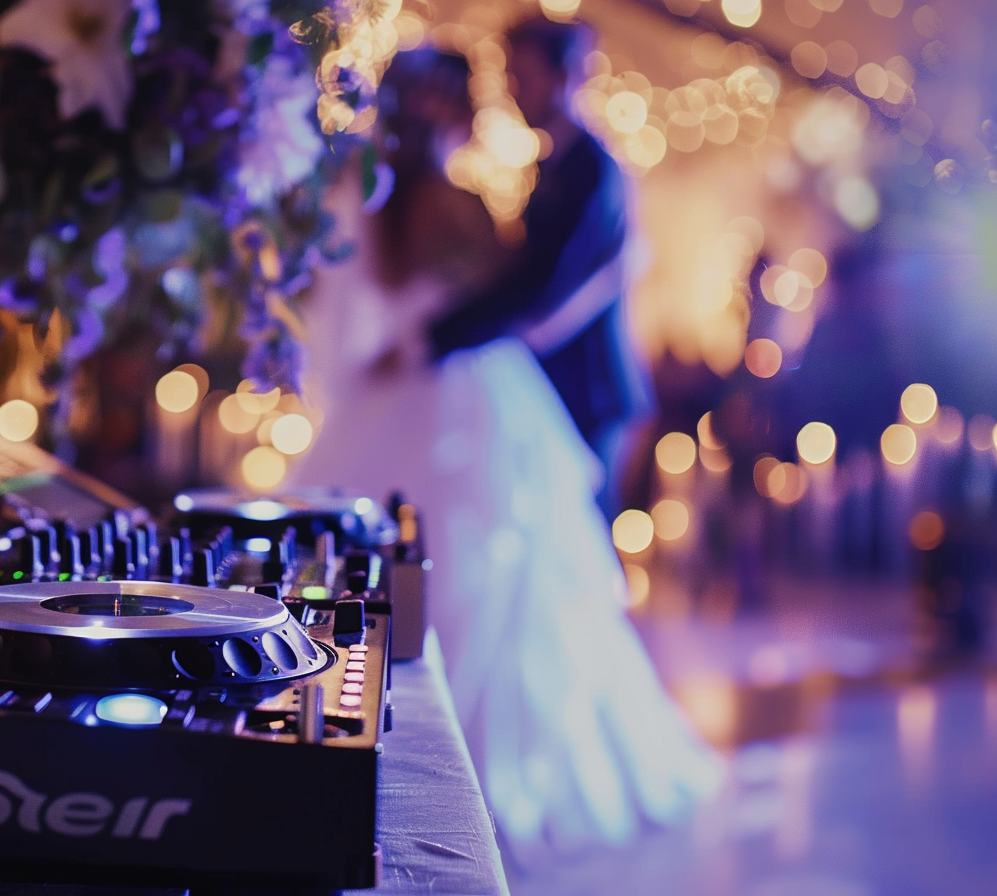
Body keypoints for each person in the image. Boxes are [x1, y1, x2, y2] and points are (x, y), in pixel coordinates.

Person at [290, 44, 721, 887]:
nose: (494, 102)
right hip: (467, 383)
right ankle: (473, 757)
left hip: (447, 378)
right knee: (501, 562)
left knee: (452, 564)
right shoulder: (449, 199)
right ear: (448, 111)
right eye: (478, 93)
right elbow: (517, 286)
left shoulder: (392, 194)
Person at [425, 17, 654, 517]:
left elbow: (541, 288)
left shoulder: (589, 172)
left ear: (566, 77)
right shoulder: (555, 164)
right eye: (508, 77)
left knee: (579, 545)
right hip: (559, 381)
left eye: (522, 76)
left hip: (587, 386)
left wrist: (439, 339)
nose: (511, 92)